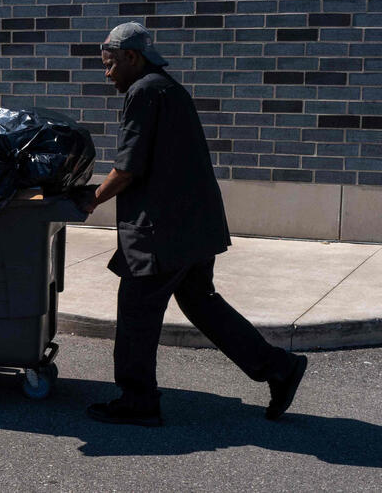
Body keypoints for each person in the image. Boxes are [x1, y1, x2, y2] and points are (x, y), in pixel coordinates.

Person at [72, 22, 307, 427]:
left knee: (137, 309)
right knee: (200, 302)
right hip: (194, 224)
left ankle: (137, 400)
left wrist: (88, 200)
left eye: (109, 64)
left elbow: (128, 168)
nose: (106, 73)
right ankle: (279, 367)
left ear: (132, 57)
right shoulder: (169, 88)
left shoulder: (143, 92)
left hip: (162, 230)